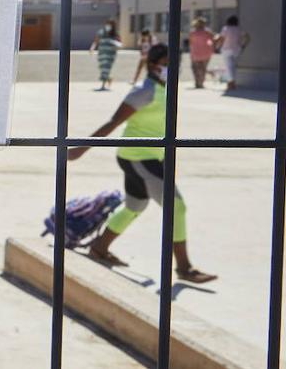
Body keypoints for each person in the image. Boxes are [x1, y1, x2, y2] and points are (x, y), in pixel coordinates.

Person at [68, 43, 216, 283]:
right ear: (152, 65)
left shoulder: (163, 88)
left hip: (148, 157)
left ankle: (99, 247)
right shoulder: (143, 91)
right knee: (176, 207)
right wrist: (80, 150)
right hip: (139, 157)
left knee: (134, 206)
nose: (170, 69)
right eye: (166, 65)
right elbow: (113, 122)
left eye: (173, 65)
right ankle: (184, 268)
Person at [214, 15, 250, 92]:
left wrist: (217, 45)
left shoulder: (225, 28)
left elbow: (221, 38)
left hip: (226, 49)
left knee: (228, 66)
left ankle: (231, 83)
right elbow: (247, 37)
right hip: (236, 49)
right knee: (232, 66)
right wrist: (243, 46)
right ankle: (231, 82)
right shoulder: (238, 29)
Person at [89, 20, 122, 91]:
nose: (108, 26)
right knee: (102, 68)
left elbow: (120, 43)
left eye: (110, 25)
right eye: (107, 24)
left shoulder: (115, 34)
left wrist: (116, 46)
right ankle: (109, 79)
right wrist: (92, 48)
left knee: (106, 69)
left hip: (110, 55)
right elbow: (96, 41)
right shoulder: (101, 33)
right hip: (102, 54)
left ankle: (103, 85)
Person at [187, 17, 215, 89]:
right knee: (203, 68)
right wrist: (211, 48)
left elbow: (190, 42)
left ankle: (197, 82)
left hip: (195, 52)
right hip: (206, 52)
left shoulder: (192, 32)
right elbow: (212, 41)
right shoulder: (207, 32)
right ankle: (201, 83)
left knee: (195, 68)